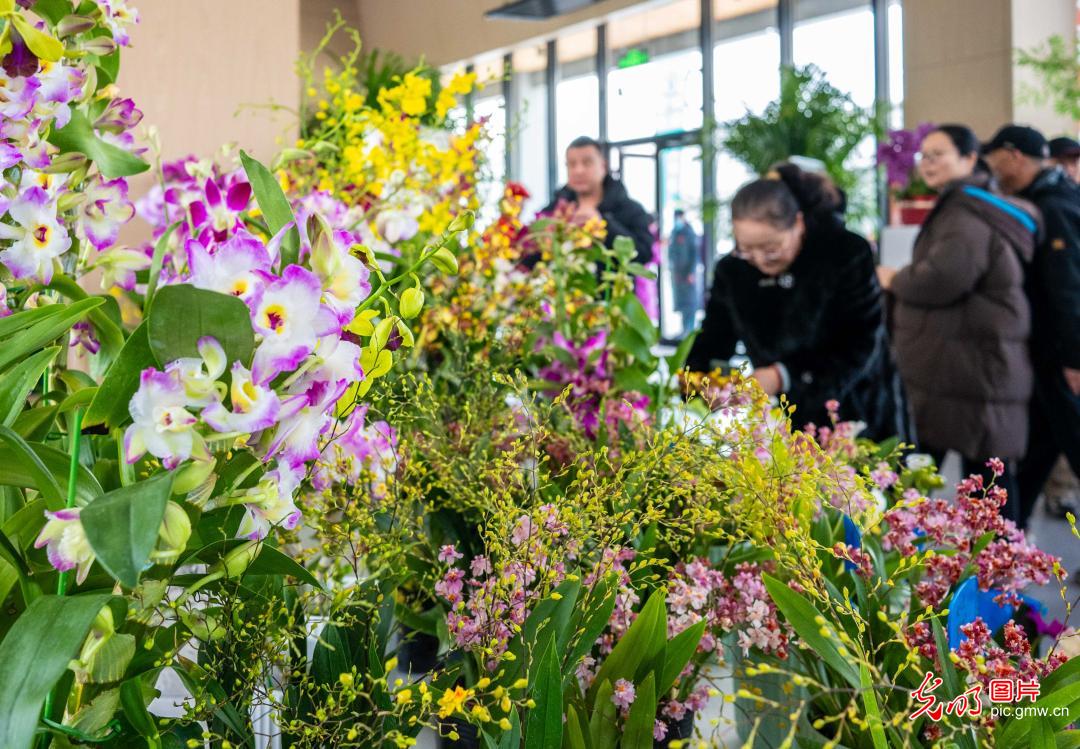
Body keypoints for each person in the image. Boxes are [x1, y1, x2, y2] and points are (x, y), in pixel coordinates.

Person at [877, 125, 1040, 515]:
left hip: (972, 368)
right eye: (925, 155)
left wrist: (894, 278)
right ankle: (995, 565)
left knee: (983, 480)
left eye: (939, 154)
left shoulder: (967, 211)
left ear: (969, 159)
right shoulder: (970, 204)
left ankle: (996, 567)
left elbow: (944, 278)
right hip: (971, 363)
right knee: (982, 476)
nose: (928, 163)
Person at [685, 163, 909, 441]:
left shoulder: (844, 254)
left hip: (855, 407)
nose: (759, 260)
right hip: (782, 417)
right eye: (746, 249)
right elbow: (714, 336)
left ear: (799, 224)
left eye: (771, 248)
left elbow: (860, 341)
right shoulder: (733, 270)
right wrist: (700, 380)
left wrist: (783, 376)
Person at [982, 124, 1080, 528]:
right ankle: (1007, 544)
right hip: (1043, 355)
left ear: (1014, 156)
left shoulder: (1054, 205)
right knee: (1037, 452)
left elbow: (1069, 286)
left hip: (1062, 357)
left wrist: (1075, 360)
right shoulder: (1039, 199)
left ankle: (1006, 541)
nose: (991, 166)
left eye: (994, 157)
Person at [541, 136, 654, 264]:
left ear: (603, 166)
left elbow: (644, 254)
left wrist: (604, 225)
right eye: (572, 164)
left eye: (587, 163)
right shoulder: (555, 209)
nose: (578, 171)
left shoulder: (631, 210)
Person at [667, 209, 700, 330]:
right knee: (681, 302)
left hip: (687, 273)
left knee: (689, 302)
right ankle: (684, 329)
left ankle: (689, 329)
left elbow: (694, 254)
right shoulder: (674, 232)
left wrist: (691, 272)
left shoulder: (689, 232)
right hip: (677, 273)